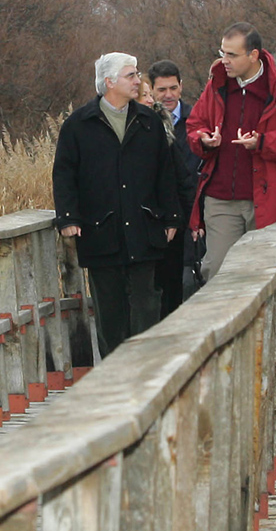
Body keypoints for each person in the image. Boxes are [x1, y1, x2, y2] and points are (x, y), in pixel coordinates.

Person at [53, 52, 180, 355]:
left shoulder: (149, 121)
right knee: (109, 312)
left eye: (137, 75)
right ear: (109, 82)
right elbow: (64, 173)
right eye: (131, 75)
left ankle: (146, 375)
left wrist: (172, 217)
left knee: (147, 306)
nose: (139, 81)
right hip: (100, 230)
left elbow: (166, 173)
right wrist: (68, 217)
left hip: (144, 228)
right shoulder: (78, 125)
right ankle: (114, 378)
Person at [185, 23, 276, 281]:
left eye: (232, 55)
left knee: (266, 275)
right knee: (218, 273)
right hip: (221, 198)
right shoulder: (216, 84)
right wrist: (203, 139)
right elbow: (194, 124)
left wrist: (264, 142)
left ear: (253, 55)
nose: (224, 60)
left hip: (270, 199)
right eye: (222, 52)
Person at [147, 60, 200, 313]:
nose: (168, 95)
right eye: (161, 90)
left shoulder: (196, 119)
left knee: (191, 280)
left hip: (194, 210)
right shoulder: (149, 122)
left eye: (173, 88)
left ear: (181, 87)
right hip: (162, 216)